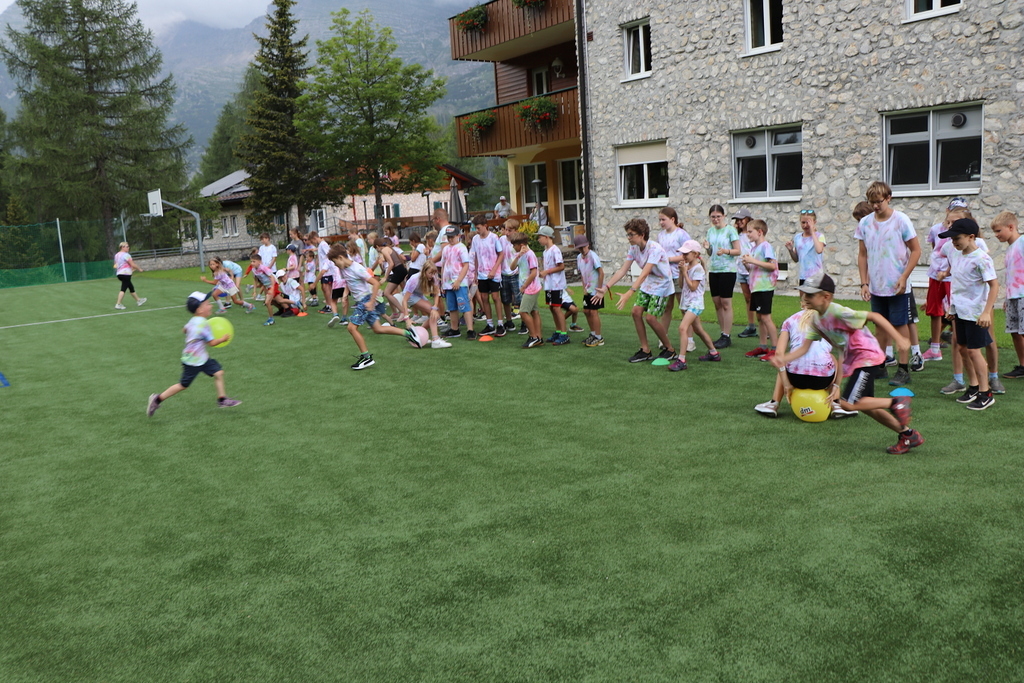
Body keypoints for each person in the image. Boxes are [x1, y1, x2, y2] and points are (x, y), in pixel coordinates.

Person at [771, 273, 920, 455]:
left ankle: (896, 401)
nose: (804, 298)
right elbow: (804, 348)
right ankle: (908, 435)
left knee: (848, 404)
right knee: (867, 406)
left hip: (866, 356)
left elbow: (875, 316)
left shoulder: (839, 313)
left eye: (810, 294)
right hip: (856, 360)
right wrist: (784, 359)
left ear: (826, 297)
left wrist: (899, 338)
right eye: (804, 293)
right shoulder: (816, 321)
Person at [856, 181, 921, 387]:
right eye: (872, 202)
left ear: (888, 198)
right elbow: (862, 254)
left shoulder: (901, 220)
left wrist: (904, 277)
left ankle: (903, 369)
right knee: (880, 327)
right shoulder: (864, 223)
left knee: (900, 326)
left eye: (879, 201)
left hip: (897, 286)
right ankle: (880, 365)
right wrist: (864, 283)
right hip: (876, 286)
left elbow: (916, 250)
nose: (876, 206)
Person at [937, 218, 999, 410]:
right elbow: (958, 284)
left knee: (973, 351)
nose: (953, 242)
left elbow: (994, 286)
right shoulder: (956, 255)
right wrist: (952, 309)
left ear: (971, 237)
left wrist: (986, 312)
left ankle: (985, 393)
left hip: (976, 314)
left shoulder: (982, 259)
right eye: (952, 239)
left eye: (957, 238)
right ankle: (973, 387)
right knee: (962, 348)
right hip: (960, 312)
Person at [147, 291, 241, 416]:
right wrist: (222, 339)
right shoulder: (203, 325)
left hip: (202, 358)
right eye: (208, 304)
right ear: (200, 310)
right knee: (183, 385)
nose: (211, 305)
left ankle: (222, 399)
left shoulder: (193, 320)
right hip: (193, 361)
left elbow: (185, 329)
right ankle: (157, 399)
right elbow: (212, 343)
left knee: (218, 372)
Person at [595, 218, 676, 362]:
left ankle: (670, 349)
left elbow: (644, 272)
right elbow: (622, 270)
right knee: (636, 312)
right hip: (649, 282)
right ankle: (645, 350)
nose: (628, 238)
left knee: (651, 318)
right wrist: (606, 287)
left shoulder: (655, 249)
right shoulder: (633, 248)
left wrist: (630, 292)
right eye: (628, 234)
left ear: (642, 234)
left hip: (662, 285)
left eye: (631, 234)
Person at [328, 243, 418, 370]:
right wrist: (345, 295)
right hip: (362, 300)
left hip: (365, 300)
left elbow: (375, 283)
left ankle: (366, 357)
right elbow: (349, 282)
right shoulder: (343, 269)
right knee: (378, 329)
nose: (335, 264)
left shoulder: (357, 268)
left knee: (351, 328)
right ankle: (408, 333)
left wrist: (371, 301)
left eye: (334, 261)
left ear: (340, 258)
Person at [754, 309, 857, 419]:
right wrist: (836, 385)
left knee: (785, 361)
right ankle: (836, 404)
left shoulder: (790, 320)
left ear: (803, 304)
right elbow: (844, 355)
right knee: (831, 357)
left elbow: (779, 354)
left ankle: (774, 404)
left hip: (795, 378)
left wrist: (787, 384)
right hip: (823, 380)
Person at [921, 198, 967, 363]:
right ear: (947, 211)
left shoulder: (964, 232)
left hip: (952, 277)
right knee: (934, 311)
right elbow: (936, 249)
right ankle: (935, 348)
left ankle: (959, 346)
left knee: (954, 312)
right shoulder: (936, 229)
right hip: (936, 275)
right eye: (953, 211)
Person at [668, 240, 719, 371]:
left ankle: (681, 360)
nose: (683, 256)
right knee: (698, 330)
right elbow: (681, 285)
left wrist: (685, 272)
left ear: (695, 254)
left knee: (682, 328)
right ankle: (714, 353)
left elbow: (693, 287)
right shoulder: (687, 267)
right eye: (683, 254)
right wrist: (681, 272)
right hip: (688, 303)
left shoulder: (698, 269)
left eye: (686, 254)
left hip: (695, 304)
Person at [741, 219, 779, 361]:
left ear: (760, 232)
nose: (748, 234)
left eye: (750, 231)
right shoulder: (754, 249)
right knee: (760, 317)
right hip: (756, 287)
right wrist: (747, 264)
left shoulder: (766, 246)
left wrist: (752, 261)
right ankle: (763, 347)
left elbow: (772, 266)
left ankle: (775, 349)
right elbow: (753, 268)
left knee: (766, 318)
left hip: (765, 287)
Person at [702, 204, 740, 349]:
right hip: (714, 269)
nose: (716, 219)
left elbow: (738, 250)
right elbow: (710, 252)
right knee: (717, 302)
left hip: (727, 270)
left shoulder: (730, 230)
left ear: (724, 216)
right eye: (713, 217)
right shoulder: (710, 231)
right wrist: (707, 248)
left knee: (726, 302)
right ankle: (722, 333)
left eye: (718, 216)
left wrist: (726, 251)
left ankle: (727, 335)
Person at [992, 211, 1024, 380]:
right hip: (1013, 296)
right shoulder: (1010, 248)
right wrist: (1007, 297)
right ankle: (1023, 366)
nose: (996, 235)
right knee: (1015, 331)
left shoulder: (1022, 242)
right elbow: (1011, 275)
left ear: (1011, 227)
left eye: (998, 231)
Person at [656, 207, 692, 346]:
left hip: (679, 274)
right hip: (665, 276)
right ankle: (663, 338)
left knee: (684, 307)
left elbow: (689, 254)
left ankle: (689, 340)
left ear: (672, 219)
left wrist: (670, 259)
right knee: (666, 307)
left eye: (663, 219)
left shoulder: (681, 234)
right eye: (660, 220)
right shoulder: (660, 235)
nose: (661, 222)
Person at [400, 261, 450, 348]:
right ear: (424, 271)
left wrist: (435, 307)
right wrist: (407, 318)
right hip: (410, 296)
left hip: (418, 295)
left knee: (435, 314)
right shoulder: (415, 279)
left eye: (433, 273)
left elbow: (436, 293)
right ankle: (435, 340)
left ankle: (417, 336)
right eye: (430, 273)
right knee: (432, 312)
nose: (432, 275)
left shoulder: (434, 277)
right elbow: (404, 300)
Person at [470, 215, 506, 336]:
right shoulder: (475, 239)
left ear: (485, 226)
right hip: (481, 274)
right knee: (484, 298)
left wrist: (494, 270)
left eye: (478, 228)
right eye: (476, 228)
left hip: (494, 274)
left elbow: (501, 254)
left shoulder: (494, 237)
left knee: (496, 297)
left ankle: (500, 324)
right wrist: (475, 273)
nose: (477, 230)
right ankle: (490, 324)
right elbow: (475, 256)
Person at [439, 225, 476, 339]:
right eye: (448, 237)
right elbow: (443, 265)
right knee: (452, 307)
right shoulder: (446, 249)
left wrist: (459, 281)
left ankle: (470, 330)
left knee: (464, 305)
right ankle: (454, 329)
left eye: (452, 237)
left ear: (458, 236)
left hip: (460, 283)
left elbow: (466, 265)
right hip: (448, 283)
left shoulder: (461, 248)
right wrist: (442, 282)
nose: (450, 239)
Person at [536, 225, 570, 345]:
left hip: (556, 284)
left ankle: (564, 334)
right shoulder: (546, 251)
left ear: (547, 237)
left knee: (556, 308)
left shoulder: (555, 250)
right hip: (549, 284)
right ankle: (558, 331)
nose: (538, 240)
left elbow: (561, 266)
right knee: (552, 308)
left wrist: (547, 272)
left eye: (540, 237)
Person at [509, 231, 544, 347]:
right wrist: (518, 255)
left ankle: (533, 337)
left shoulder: (530, 254)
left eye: (515, 245)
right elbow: (512, 267)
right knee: (534, 312)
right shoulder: (520, 254)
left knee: (523, 312)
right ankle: (539, 338)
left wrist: (524, 286)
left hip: (531, 288)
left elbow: (534, 273)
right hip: (528, 288)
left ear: (521, 245)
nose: (513, 247)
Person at [732, 208, 759, 339]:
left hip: (753, 270)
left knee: (757, 299)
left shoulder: (752, 234)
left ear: (748, 219)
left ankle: (764, 325)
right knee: (747, 299)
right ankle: (751, 326)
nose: (739, 222)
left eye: (741, 219)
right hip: (741, 269)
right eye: (737, 220)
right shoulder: (736, 235)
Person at [574, 233, 605, 347]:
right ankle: (593, 334)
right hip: (587, 290)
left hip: (595, 290)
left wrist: (600, 289)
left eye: (583, 247)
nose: (582, 250)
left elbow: (601, 273)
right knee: (586, 311)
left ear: (587, 245)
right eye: (579, 248)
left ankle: (599, 337)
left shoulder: (593, 256)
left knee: (593, 312)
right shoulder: (579, 258)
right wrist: (584, 288)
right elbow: (582, 274)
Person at [785, 209, 826, 286]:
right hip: (803, 276)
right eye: (803, 222)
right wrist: (790, 250)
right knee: (803, 294)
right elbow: (796, 259)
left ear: (814, 222)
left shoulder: (819, 236)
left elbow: (819, 250)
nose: (805, 225)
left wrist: (812, 232)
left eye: (808, 223)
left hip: (816, 276)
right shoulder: (797, 237)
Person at [498, 219, 521, 333]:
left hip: (515, 274)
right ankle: (509, 321)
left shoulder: (519, 242)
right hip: (503, 273)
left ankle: (525, 323)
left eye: (510, 230)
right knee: (505, 299)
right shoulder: (501, 240)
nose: (507, 233)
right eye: (506, 230)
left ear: (516, 231)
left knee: (519, 299)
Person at [113, 242, 147, 309]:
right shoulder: (126, 255)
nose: (128, 248)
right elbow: (132, 264)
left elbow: (116, 265)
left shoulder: (116, 255)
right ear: (122, 247)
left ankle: (138, 300)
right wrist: (139, 269)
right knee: (123, 289)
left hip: (119, 274)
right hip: (125, 274)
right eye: (127, 246)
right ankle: (118, 304)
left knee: (131, 287)